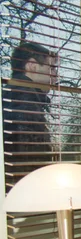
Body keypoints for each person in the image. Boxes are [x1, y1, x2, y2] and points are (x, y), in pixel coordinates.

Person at [2, 42, 56, 184]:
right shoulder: (23, 98)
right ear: (32, 66)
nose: (55, 76)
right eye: (52, 68)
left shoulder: (18, 95)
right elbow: (29, 157)